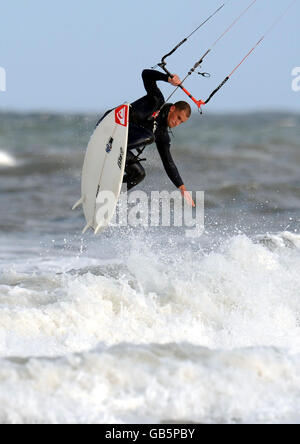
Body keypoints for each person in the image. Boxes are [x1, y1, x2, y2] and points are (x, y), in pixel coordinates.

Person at [98, 69, 195, 207]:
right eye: (178, 118)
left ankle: (108, 196)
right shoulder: (156, 101)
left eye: (181, 122)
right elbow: (146, 75)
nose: (177, 123)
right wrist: (167, 78)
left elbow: (168, 162)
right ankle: (112, 148)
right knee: (149, 137)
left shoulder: (162, 135)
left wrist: (182, 188)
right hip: (111, 125)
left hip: (119, 145)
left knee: (139, 174)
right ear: (173, 109)